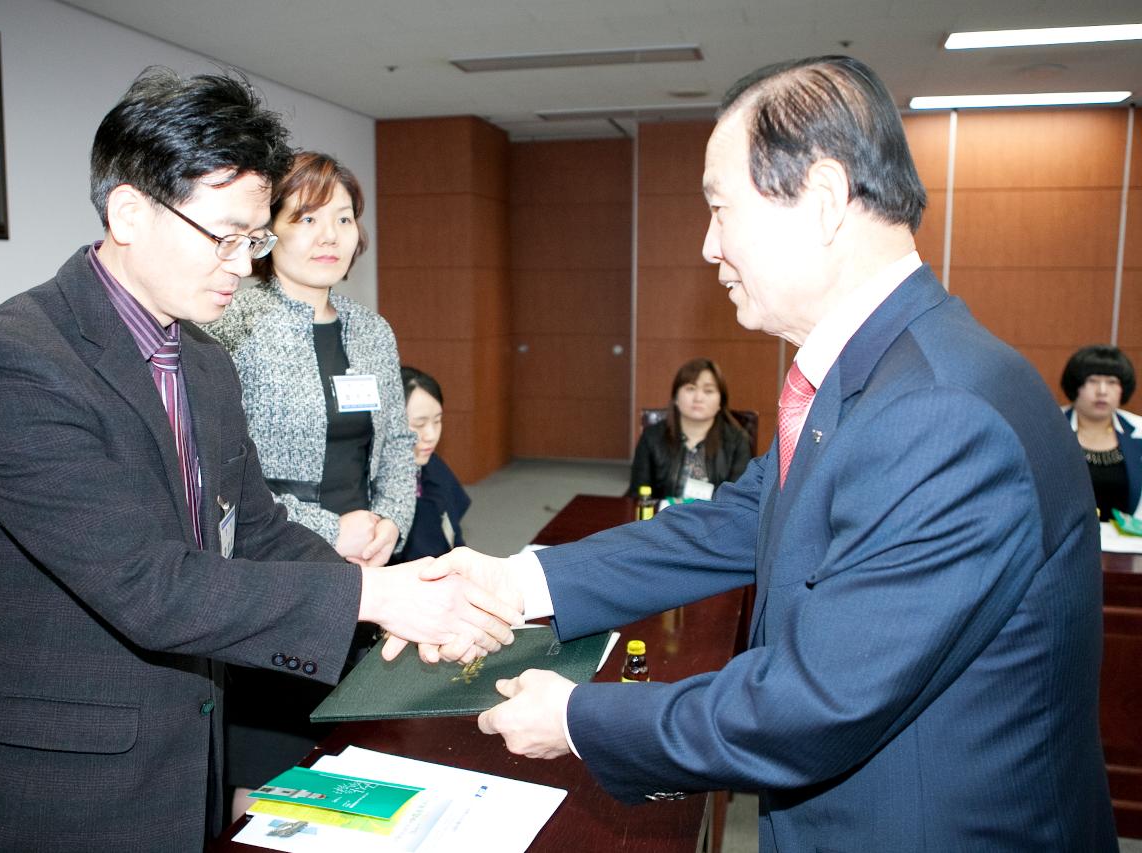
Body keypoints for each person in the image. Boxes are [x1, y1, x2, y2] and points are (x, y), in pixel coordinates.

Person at [418, 56, 1118, 850]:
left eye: (721, 208)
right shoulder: (878, 371)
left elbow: (817, 702)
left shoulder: (939, 413)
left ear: (821, 200)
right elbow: (739, 519)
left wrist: (579, 717)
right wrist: (518, 581)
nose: (709, 245)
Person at [0, 68, 518, 852]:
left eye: (256, 239)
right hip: (59, 790)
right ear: (129, 211)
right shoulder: (12, 361)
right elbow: (148, 583)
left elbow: (262, 531)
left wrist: (398, 589)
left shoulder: (202, 359)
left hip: (187, 751)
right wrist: (373, 596)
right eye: (226, 237)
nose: (244, 264)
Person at [207, 151, 414, 569]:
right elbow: (214, 471)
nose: (330, 237)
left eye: (343, 218)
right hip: (274, 555)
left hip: (368, 550)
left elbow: (398, 444)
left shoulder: (373, 330)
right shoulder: (228, 328)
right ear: (267, 232)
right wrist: (331, 530)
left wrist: (391, 520)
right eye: (307, 219)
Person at [628, 357, 751, 500]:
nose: (698, 398)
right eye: (690, 388)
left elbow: (738, 499)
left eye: (708, 391)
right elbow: (638, 494)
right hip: (662, 518)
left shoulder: (737, 441)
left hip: (714, 519)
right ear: (675, 397)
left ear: (720, 402)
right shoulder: (652, 437)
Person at [395, 366, 471, 561]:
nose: (431, 435)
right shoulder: (368, 487)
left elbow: (455, 537)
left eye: (437, 421)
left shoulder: (433, 466)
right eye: (419, 425)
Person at [1061, 344, 1142, 519]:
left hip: (1128, 543)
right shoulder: (1050, 428)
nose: (1102, 391)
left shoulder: (1139, 431)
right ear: (1076, 385)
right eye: (1093, 381)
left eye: (1112, 382)